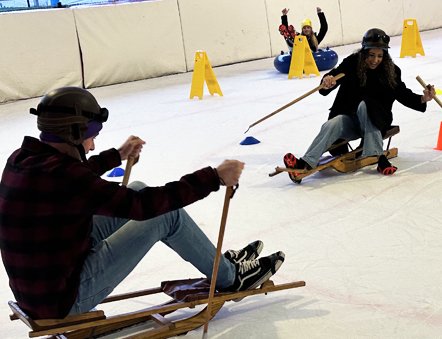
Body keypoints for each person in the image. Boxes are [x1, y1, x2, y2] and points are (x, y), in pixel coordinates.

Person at [0, 87, 285, 319]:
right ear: (73, 133)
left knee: (136, 185)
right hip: (63, 299)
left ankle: (217, 262)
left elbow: (74, 178)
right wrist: (212, 178)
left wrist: (118, 154)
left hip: (41, 284)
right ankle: (228, 277)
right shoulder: (66, 176)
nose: (93, 147)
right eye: (90, 138)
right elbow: (141, 206)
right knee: (164, 216)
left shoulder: (22, 159)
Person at [283, 28, 436, 181]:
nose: (375, 60)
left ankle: (379, 157)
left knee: (365, 105)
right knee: (332, 124)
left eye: (379, 56)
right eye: (371, 55)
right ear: (364, 52)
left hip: (377, 121)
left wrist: (423, 99)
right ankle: (304, 164)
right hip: (352, 121)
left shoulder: (391, 72)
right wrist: (327, 81)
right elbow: (332, 79)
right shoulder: (352, 63)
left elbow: (404, 95)